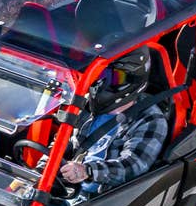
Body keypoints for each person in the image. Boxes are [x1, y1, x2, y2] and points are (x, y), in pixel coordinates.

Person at [51, 48, 168, 196]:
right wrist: (43, 166)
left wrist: (87, 171)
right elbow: (62, 143)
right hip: (66, 189)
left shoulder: (150, 119)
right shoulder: (85, 104)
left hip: (102, 200)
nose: (102, 83)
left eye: (114, 78)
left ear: (134, 79)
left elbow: (134, 165)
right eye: (100, 75)